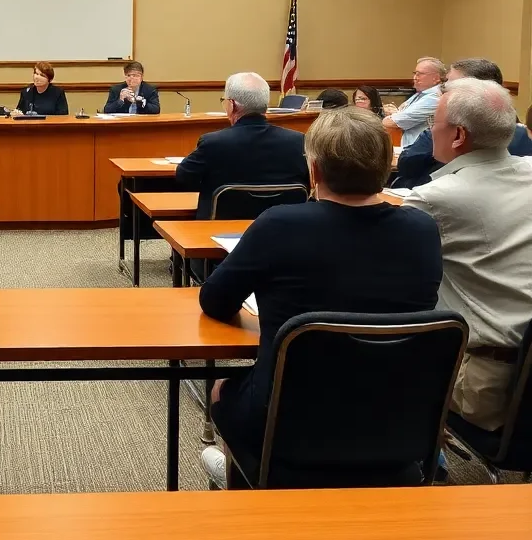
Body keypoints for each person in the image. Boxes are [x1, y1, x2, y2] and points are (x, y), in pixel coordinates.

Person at [199, 107, 443, 487]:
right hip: (396, 419)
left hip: (289, 423)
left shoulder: (279, 223)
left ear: (313, 170)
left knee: (221, 388)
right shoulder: (422, 229)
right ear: (386, 167)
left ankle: (245, 476)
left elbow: (214, 301)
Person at [404, 78, 532, 433]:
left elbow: (386, 273)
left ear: (458, 135)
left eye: (434, 125)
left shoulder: (433, 198)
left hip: (488, 391)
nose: (431, 131)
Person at [175, 72, 310, 219]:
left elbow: (184, 177)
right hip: (284, 229)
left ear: (232, 105)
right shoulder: (298, 142)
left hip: (218, 229)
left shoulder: (213, 143)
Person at [395, 58, 532, 189]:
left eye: (449, 84)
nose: (442, 90)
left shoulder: (450, 132)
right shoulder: (525, 134)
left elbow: (407, 164)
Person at [382, 56, 445, 147]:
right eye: (415, 73)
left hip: (419, 151)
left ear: (436, 78)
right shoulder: (421, 94)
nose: (415, 78)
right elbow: (400, 115)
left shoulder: (434, 98)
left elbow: (392, 123)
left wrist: (394, 115)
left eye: (419, 74)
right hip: (408, 147)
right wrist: (396, 114)